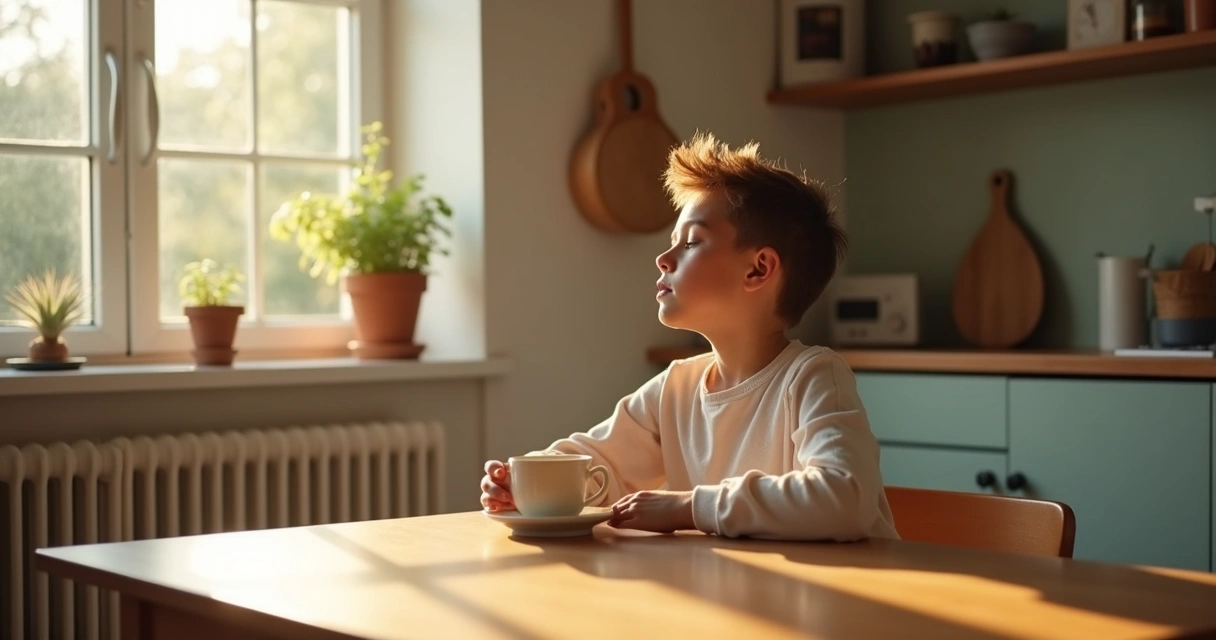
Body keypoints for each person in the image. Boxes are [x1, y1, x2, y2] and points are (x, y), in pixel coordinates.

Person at [481, 132, 898, 541]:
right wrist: (520, 481)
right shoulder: (675, 389)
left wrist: (690, 507)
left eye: (692, 241)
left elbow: (845, 498)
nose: (663, 259)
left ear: (758, 269)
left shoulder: (813, 377)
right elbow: (598, 464)